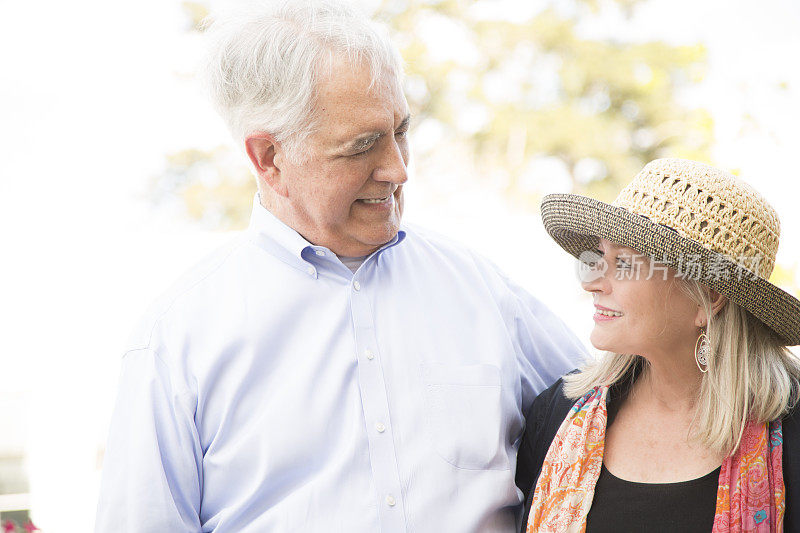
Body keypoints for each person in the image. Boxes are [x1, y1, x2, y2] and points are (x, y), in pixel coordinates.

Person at [94, 1, 586, 532]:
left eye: (400, 132)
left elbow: (611, 413)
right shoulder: (177, 339)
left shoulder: (484, 290)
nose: (397, 170)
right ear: (269, 157)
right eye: (362, 147)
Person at [516, 158, 800, 532]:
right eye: (601, 257)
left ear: (708, 298)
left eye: (624, 264)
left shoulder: (791, 433)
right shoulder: (557, 414)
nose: (591, 282)